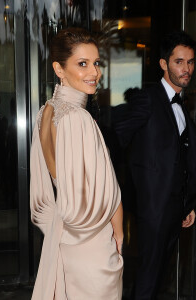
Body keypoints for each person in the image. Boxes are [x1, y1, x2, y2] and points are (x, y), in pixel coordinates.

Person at [30, 27, 123, 300]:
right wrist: (118, 234)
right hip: (91, 243)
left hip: (64, 238)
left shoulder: (46, 112)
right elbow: (108, 192)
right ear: (59, 69)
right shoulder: (78, 118)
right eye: (82, 64)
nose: (94, 72)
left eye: (96, 63)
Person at [115, 31, 196, 299]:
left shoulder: (180, 104)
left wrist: (188, 204)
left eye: (190, 62)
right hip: (153, 209)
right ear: (164, 64)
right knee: (148, 275)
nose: (186, 69)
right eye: (179, 62)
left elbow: (180, 156)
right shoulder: (148, 98)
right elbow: (115, 138)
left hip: (176, 208)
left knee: (158, 274)